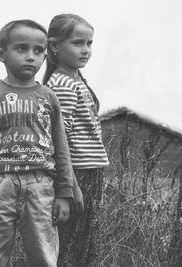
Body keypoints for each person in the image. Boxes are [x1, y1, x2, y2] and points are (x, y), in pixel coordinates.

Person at [0, 19, 74, 267]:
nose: (31, 57)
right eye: (21, 49)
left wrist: (64, 193)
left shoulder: (48, 97)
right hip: (0, 184)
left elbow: (61, 147)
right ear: (1, 54)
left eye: (38, 51)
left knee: (44, 256)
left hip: (41, 186)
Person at [43, 14, 110, 267]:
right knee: (70, 246)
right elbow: (59, 140)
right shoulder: (62, 85)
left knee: (85, 244)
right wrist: (71, 187)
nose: (86, 50)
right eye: (78, 43)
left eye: (89, 43)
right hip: (76, 175)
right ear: (55, 46)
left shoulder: (76, 80)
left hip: (89, 172)